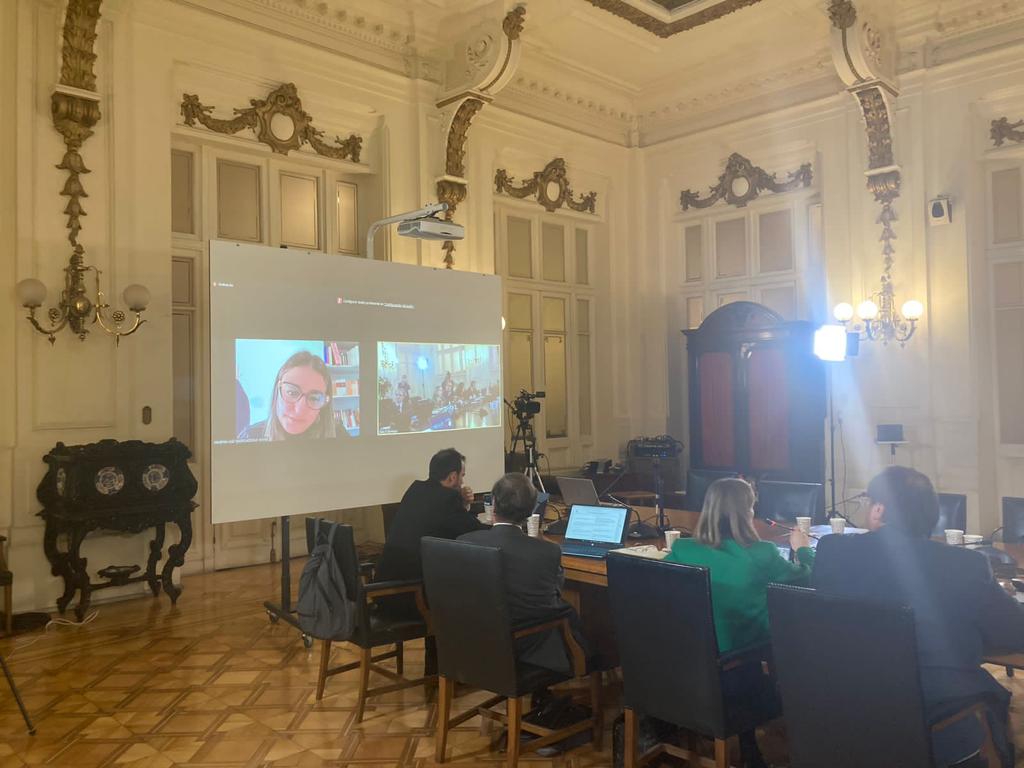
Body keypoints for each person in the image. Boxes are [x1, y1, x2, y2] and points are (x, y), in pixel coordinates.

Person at [814, 466, 1024, 768]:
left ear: (878, 509)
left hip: (845, 709)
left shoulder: (832, 551)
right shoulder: (966, 565)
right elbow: (1014, 632)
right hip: (934, 715)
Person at [663, 477, 813, 768]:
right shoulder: (763, 554)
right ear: (747, 513)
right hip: (741, 661)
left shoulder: (682, 549)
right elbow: (806, 577)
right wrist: (803, 548)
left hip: (689, 662)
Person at [459, 473, 582, 674]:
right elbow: (554, 596)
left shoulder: (464, 541)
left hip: (473, 644)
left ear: (495, 503)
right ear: (531, 509)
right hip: (530, 649)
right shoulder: (547, 551)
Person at [376, 448, 486, 588]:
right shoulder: (447, 497)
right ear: (452, 477)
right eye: (462, 476)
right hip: (411, 588)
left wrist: (463, 504)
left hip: (386, 579)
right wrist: (502, 525)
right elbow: (473, 530)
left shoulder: (416, 489)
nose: (462, 481)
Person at [238, 351, 345, 440]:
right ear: (277, 390)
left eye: (314, 398)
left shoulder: (338, 434)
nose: (299, 410)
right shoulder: (250, 437)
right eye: (292, 393)